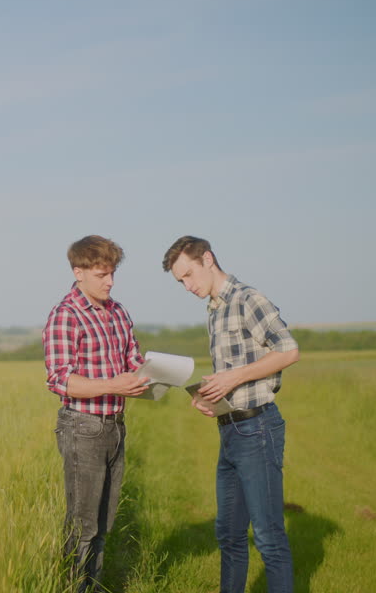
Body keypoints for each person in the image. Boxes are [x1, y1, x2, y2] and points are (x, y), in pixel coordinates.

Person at [162, 235, 299, 593]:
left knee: (268, 537)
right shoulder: (215, 308)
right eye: (181, 282)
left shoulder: (246, 299)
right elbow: (234, 374)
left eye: (189, 275)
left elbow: (288, 350)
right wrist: (212, 396)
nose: (187, 286)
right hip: (230, 430)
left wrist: (232, 378)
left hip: (258, 429)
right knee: (229, 534)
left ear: (207, 259)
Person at [44, 235, 149, 593]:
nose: (110, 281)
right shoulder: (65, 315)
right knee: (83, 525)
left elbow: (133, 361)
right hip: (82, 428)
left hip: (116, 427)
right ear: (79, 272)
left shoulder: (118, 312)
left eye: (112, 273)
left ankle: (91, 587)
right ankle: (71, 587)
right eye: (103, 274)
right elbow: (61, 380)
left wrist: (152, 375)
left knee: (103, 525)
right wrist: (114, 385)